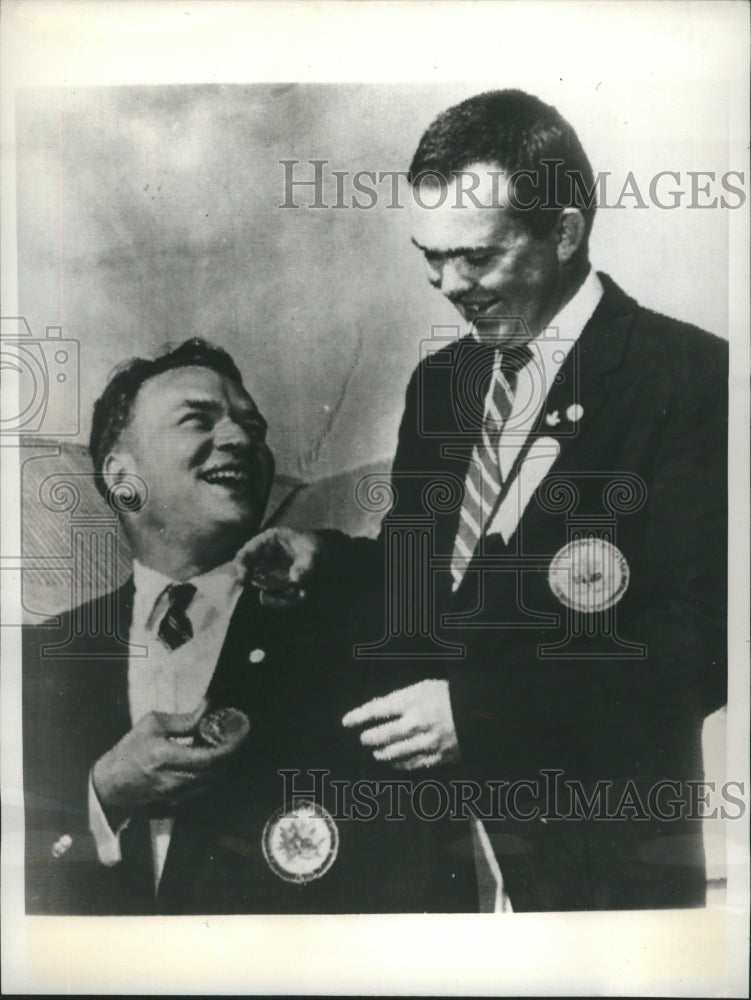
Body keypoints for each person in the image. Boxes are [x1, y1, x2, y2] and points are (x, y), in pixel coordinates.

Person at [241, 89, 728, 911]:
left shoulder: (689, 378)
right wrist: (328, 559)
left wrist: (484, 713)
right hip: (436, 857)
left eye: (475, 256)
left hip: (600, 866)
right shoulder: (443, 384)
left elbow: (700, 645)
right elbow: (433, 583)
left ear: (565, 233)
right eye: (429, 256)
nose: (446, 284)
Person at [22, 338, 477, 915]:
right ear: (121, 475)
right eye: (197, 420)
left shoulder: (359, 627)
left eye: (252, 428)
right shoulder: (36, 662)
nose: (242, 440)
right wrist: (102, 795)